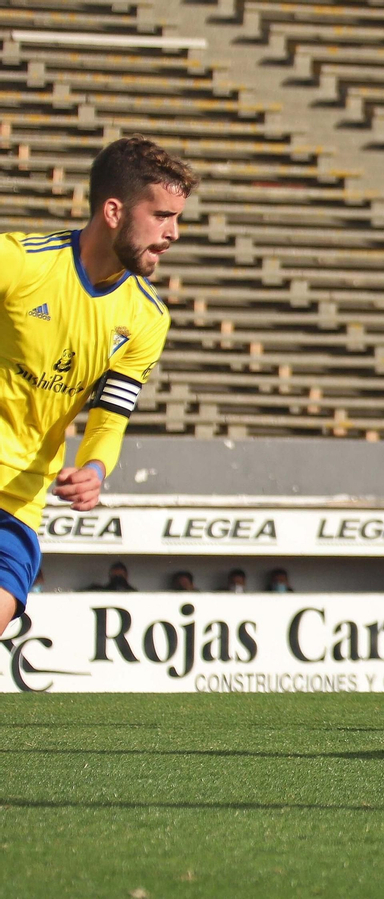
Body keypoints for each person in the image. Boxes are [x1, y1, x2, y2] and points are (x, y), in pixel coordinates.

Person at [0, 136, 193, 635]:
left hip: (20, 498)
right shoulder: (19, 264)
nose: (173, 232)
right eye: (162, 215)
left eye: (177, 217)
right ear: (113, 210)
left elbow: (111, 414)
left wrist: (94, 467)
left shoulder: (147, 318)